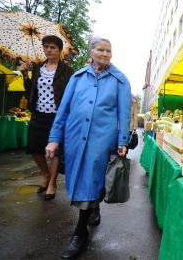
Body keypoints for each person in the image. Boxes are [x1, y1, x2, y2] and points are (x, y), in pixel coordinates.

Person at [45, 36, 131, 259]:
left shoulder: (120, 80)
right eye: (100, 50)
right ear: (91, 51)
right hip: (74, 137)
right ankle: (93, 207)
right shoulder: (77, 77)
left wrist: (122, 141)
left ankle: (79, 232)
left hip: (102, 140)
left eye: (108, 51)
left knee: (91, 178)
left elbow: (125, 113)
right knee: (81, 179)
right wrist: (54, 138)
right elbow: (63, 109)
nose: (104, 54)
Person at [20, 35, 74, 201]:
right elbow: (30, 90)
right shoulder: (37, 68)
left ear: (59, 50)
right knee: (35, 149)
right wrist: (25, 75)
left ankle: (52, 183)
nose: (48, 50)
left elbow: (70, 93)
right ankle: (45, 174)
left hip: (57, 116)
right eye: (46, 46)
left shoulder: (67, 71)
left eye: (52, 47)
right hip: (38, 113)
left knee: (55, 152)